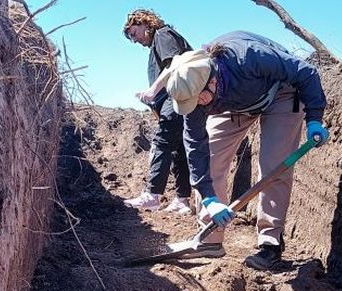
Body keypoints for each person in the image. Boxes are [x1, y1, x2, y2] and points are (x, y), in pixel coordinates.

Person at [137, 31, 330, 270]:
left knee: (274, 167)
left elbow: (306, 72)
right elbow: (196, 148)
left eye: (198, 100)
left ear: (212, 81)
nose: (195, 107)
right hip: (233, 103)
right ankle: (209, 239)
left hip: (281, 92)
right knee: (211, 157)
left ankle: (270, 244)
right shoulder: (193, 93)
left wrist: (314, 119)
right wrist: (209, 198)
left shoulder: (249, 57)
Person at [122, 10, 194, 216]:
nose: (135, 40)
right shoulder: (159, 41)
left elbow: (173, 65)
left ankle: (152, 195)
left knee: (163, 141)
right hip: (180, 98)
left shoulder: (162, 35)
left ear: (145, 23)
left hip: (177, 96)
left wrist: (152, 91)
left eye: (134, 33)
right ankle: (182, 199)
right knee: (179, 149)